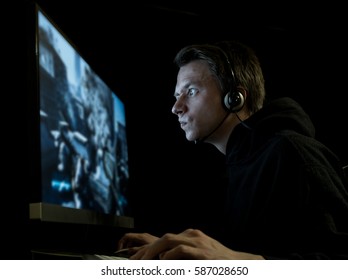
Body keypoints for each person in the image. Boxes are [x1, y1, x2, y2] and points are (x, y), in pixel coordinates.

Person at [117, 40, 348, 259]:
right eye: (177, 96)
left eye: (191, 91)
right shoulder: (239, 165)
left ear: (234, 98)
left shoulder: (292, 152)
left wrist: (237, 262)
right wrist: (173, 249)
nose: (176, 108)